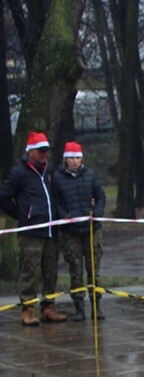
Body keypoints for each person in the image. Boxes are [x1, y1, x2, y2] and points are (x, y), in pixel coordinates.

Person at [0, 131, 67, 326]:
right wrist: (21, 214)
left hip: (51, 230)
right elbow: (4, 196)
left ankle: (49, 307)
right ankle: (28, 310)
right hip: (31, 232)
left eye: (47, 151)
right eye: (41, 151)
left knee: (51, 270)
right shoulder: (18, 172)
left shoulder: (50, 171)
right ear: (30, 152)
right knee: (30, 271)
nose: (45, 155)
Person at [51, 141, 106, 321]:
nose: (75, 161)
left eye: (77, 157)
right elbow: (56, 202)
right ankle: (79, 307)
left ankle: (96, 306)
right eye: (71, 158)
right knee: (75, 270)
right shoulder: (57, 178)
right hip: (70, 231)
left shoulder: (90, 175)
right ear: (65, 159)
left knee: (93, 269)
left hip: (91, 229)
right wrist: (65, 216)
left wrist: (96, 213)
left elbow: (100, 196)